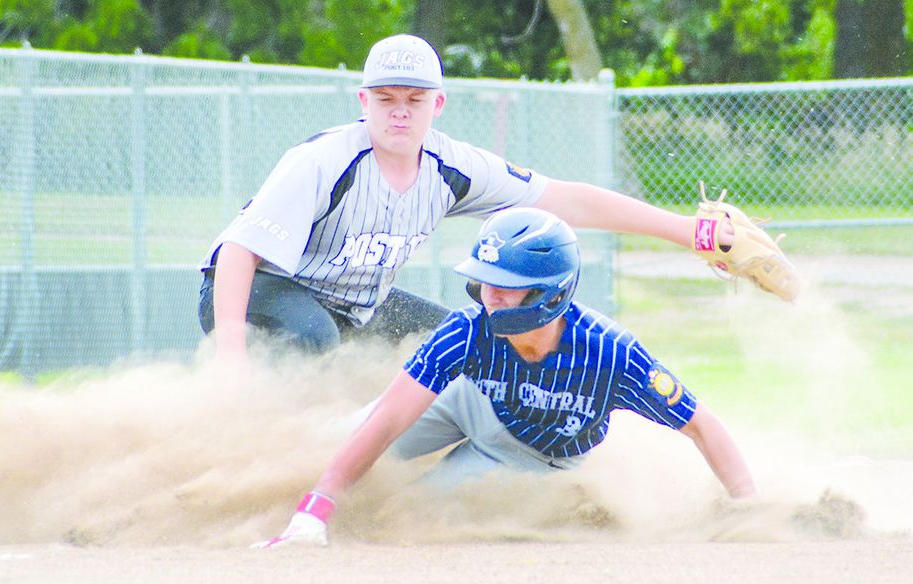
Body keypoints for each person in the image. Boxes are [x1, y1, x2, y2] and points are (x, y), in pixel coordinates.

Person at [199, 33, 796, 362]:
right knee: (312, 341)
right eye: (386, 99)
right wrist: (229, 351)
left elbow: (569, 201)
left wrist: (688, 232)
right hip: (264, 292)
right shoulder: (323, 163)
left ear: (438, 105)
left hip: (356, 303)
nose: (399, 112)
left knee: (466, 350)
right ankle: (256, 458)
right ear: (363, 102)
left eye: (414, 99)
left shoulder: (451, 168)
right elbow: (237, 253)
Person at [253, 208, 756, 548]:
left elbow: (701, 424)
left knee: (417, 510)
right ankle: (290, 519)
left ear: (548, 294)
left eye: (508, 287)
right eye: (486, 279)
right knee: (333, 445)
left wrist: (751, 507)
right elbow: (388, 420)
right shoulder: (467, 332)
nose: (489, 294)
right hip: (467, 401)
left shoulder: (610, 354)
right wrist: (318, 506)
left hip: (535, 453)